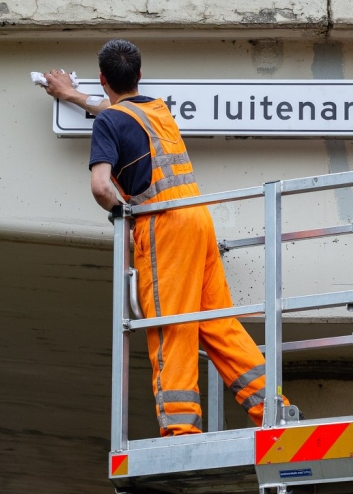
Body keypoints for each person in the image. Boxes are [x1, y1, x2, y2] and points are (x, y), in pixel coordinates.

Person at [42, 40, 293, 435]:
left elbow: (100, 186)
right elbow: (115, 110)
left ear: (104, 79)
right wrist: (72, 95)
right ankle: (275, 411)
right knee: (218, 324)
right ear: (139, 76)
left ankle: (180, 432)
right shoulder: (157, 111)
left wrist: (123, 217)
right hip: (198, 218)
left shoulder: (111, 122)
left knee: (171, 327)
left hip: (164, 227)